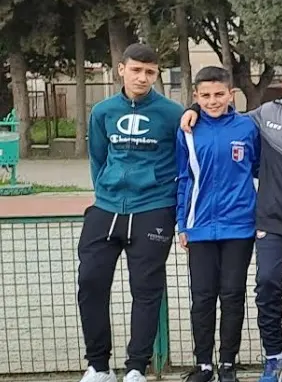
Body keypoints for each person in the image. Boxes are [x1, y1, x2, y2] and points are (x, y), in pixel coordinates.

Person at [181, 59, 282, 382]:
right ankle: (273, 354)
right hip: (270, 221)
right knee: (267, 285)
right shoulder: (264, 115)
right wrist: (192, 109)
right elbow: (222, 114)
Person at [78, 43, 184, 382]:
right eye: (136, 70)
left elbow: (183, 163)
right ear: (121, 69)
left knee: (146, 289)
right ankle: (98, 365)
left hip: (153, 209)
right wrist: (106, 189)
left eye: (149, 72)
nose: (142, 77)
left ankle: (136, 367)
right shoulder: (103, 111)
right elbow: (98, 157)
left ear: (156, 75)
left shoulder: (172, 113)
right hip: (106, 207)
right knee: (91, 282)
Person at [175, 66, 260, 382]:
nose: (212, 101)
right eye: (205, 96)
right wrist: (182, 223)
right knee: (202, 296)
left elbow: (259, 169)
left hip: (239, 226)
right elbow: (183, 177)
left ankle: (227, 363)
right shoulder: (187, 129)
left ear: (231, 95)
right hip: (199, 227)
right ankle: (204, 364)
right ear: (196, 96)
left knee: (233, 294)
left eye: (219, 94)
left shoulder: (248, 128)